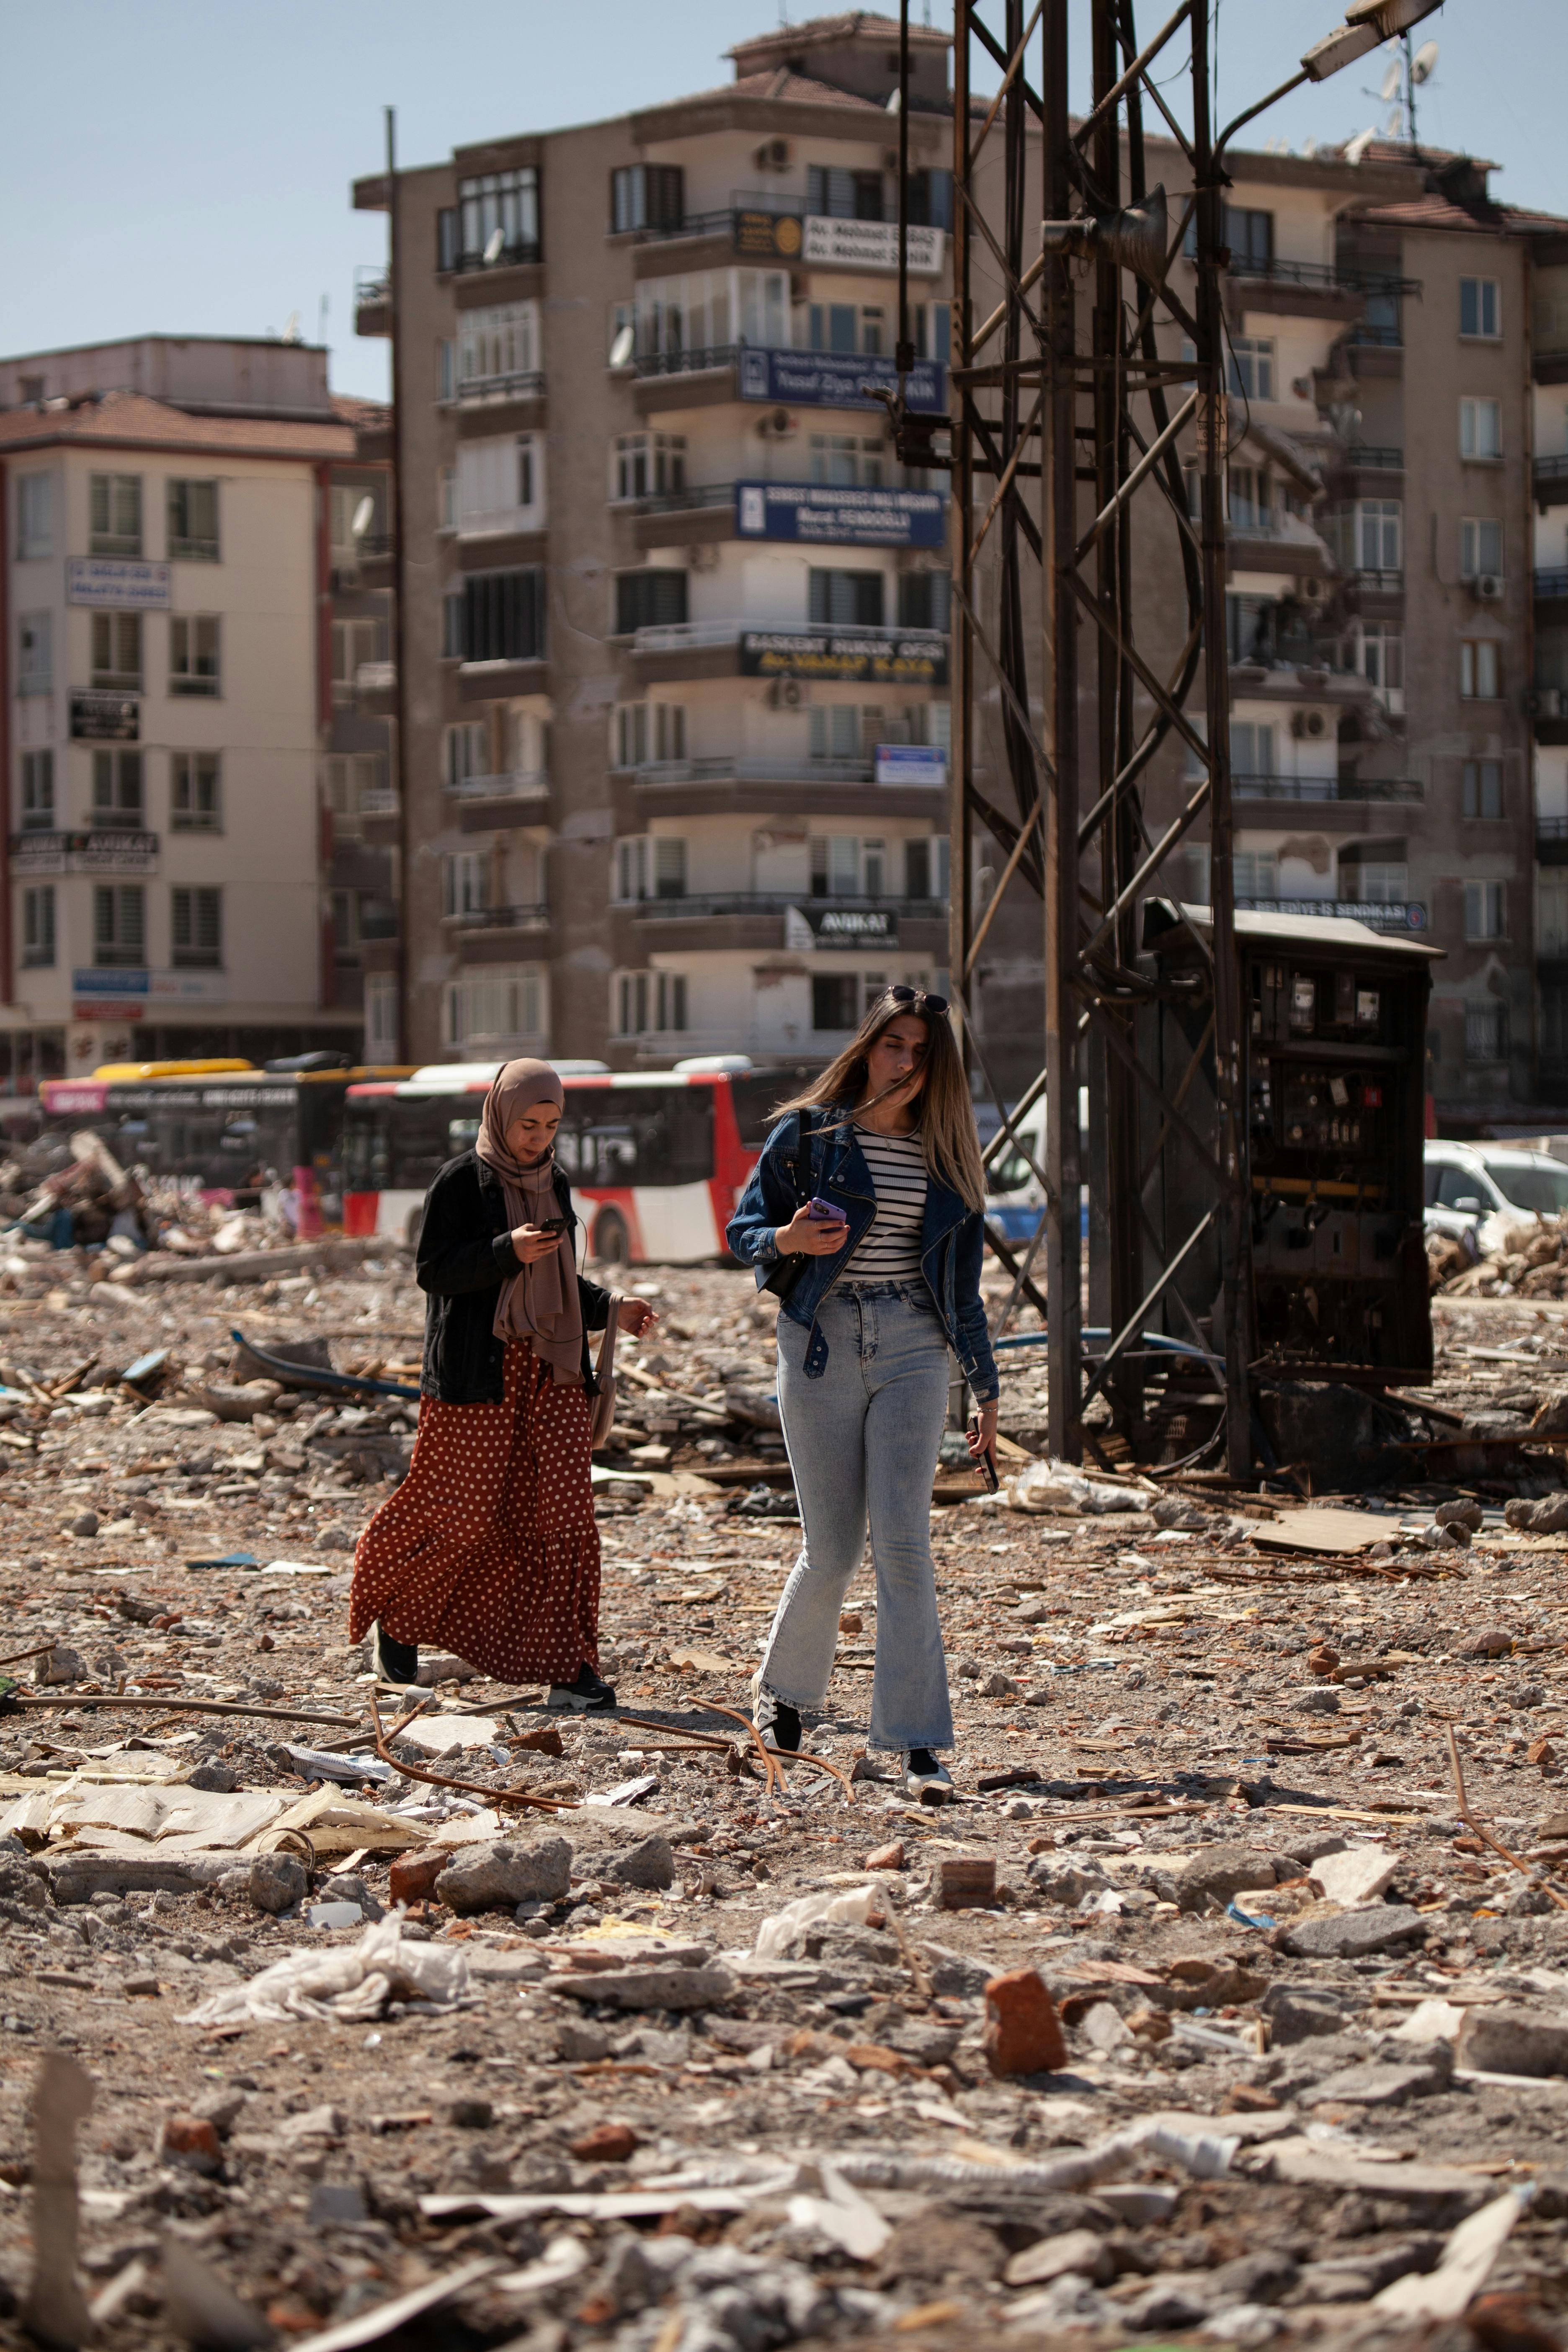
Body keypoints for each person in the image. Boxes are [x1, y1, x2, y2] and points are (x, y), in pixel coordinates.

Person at [726, 986, 998, 1801]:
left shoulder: (948, 1156)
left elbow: (966, 1292)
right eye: (894, 1046)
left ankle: (917, 1744)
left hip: (916, 1346)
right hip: (820, 1346)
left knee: (906, 1544)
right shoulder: (809, 1136)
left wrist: (986, 1387)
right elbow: (743, 1232)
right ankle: (786, 1697)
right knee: (835, 1548)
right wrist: (787, 1238)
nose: (906, 1065)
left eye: (922, 1054)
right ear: (869, 1046)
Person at [349, 1059, 656, 1710]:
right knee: (461, 1516)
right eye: (528, 1124)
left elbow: (559, 1286)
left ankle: (571, 1664)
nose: (538, 1138)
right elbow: (434, 1272)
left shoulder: (557, 1181)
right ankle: (399, 1623)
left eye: (550, 1125)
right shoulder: (461, 1181)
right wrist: (501, 1251)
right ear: (499, 1114)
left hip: (553, 1374)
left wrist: (612, 1308)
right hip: (478, 1377)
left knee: (562, 1516)